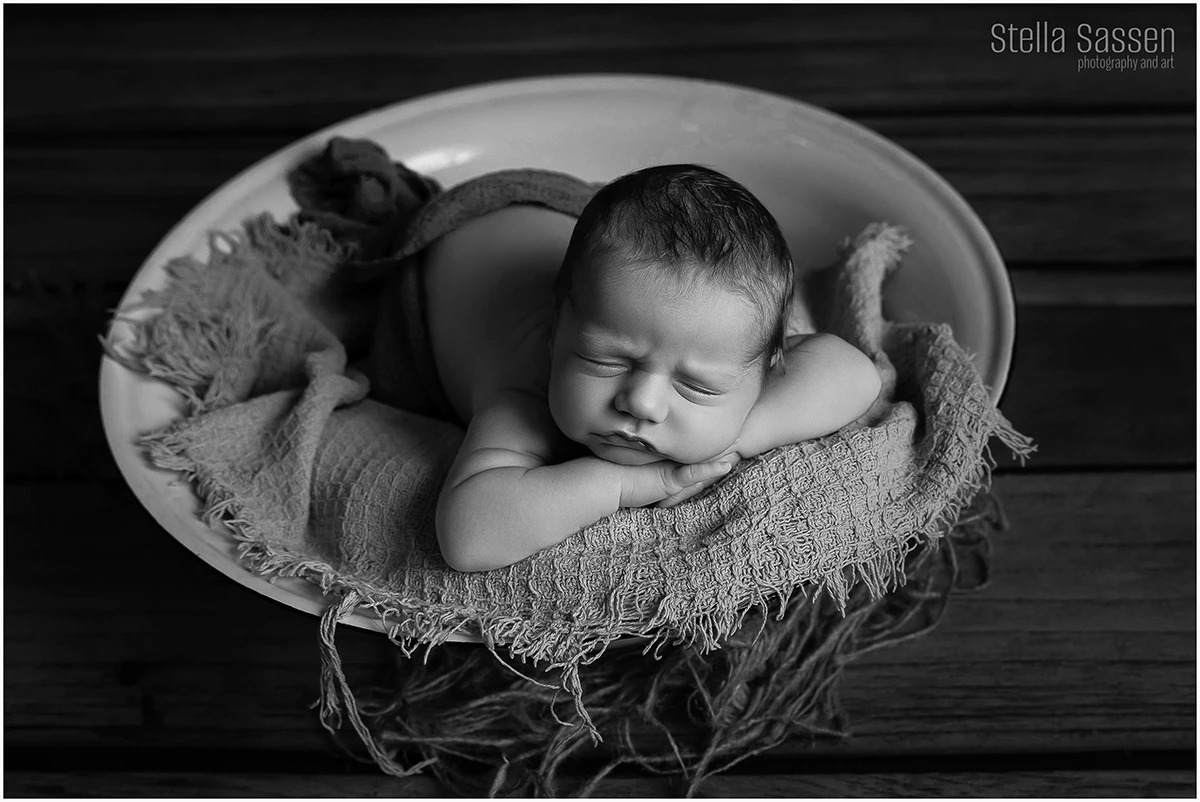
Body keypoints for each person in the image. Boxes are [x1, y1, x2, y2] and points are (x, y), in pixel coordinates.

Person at [421, 165, 881, 572]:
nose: (642, 402)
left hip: (561, 237)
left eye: (697, 386)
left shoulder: (721, 342)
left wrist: (730, 438)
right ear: (556, 334)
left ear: (768, 372)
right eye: (606, 360)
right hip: (450, 255)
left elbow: (855, 373)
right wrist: (623, 483)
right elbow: (469, 538)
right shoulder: (526, 388)